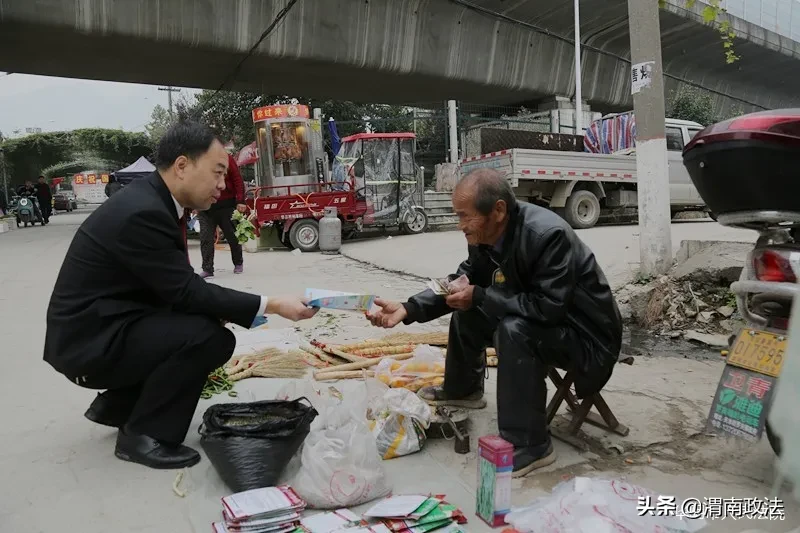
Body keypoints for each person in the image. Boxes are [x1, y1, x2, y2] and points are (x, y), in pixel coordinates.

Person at [43, 120, 318, 470]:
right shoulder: (143, 212)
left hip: (104, 328)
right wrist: (273, 304)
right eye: (218, 172)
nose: (222, 185)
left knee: (202, 321)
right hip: (89, 345)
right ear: (183, 165)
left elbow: (174, 287)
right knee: (206, 338)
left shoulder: (152, 201)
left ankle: (118, 406)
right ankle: (143, 434)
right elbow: (186, 291)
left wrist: (214, 308)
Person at [366, 169, 623, 477]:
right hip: (546, 321)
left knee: (511, 328)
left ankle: (531, 445)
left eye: (465, 216)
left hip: (586, 336)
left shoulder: (547, 235)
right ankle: (463, 389)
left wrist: (481, 297)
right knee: (471, 307)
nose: (461, 226)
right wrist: (407, 308)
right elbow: (462, 282)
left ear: (498, 210)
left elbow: (548, 308)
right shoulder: (485, 235)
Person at [198, 151, 246, 278]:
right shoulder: (198, 158)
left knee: (232, 236)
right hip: (205, 206)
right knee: (205, 238)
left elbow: (237, 179)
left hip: (226, 205)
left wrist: (240, 200)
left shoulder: (226, 158)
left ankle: (238, 262)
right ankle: (207, 268)